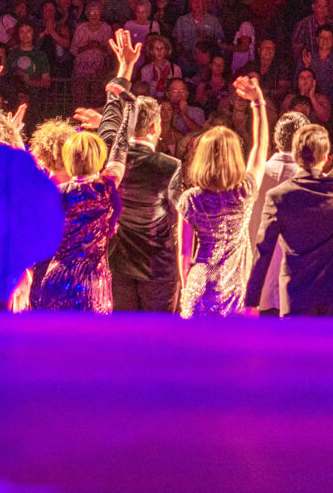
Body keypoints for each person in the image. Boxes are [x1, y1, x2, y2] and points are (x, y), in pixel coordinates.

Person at [245, 77, 333, 317]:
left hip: (296, 296)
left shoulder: (278, 196)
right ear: (325, 157)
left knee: (296, 355)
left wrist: (251, 300)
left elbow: (263, 250)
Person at [98, 30, 186, 313]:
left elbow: (112, 110)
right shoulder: (168, 165)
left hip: (118, 265)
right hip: (156, 270)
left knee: (121, 342)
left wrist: (125, 68)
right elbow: (177, 220)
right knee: (158, 344)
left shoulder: (109, 151)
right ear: (154, 128)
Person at [33, 79, 135, 313]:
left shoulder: (54, 195)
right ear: (99, 156)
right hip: (92, 283)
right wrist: (129, 104)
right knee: (90, 347)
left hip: (56, 279)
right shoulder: (107, 187)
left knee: (54, 347)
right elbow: (121, 143)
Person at [178, 72, 269, 318]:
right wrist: (258, 102)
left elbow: (185, 253)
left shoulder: (190, 198)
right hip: (236, 287)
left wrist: (187, 289)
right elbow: (261, 147)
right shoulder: (244, 191)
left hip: (200, 282)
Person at [246, 112, 307, 316]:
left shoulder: (254, 176)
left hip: (256, 288)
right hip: (297, 289)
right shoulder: (315, 181)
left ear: (276, 139)